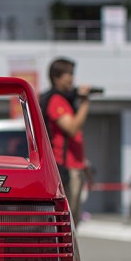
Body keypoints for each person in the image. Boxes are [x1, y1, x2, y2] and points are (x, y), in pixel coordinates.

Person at [40, 57, 95, 229]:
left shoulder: (65, 100)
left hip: (73, 166)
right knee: (66, 221)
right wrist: (85, 102)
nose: (72, 79)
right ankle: (63, 255)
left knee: (72, 220)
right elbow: (71, 127)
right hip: (65, 168)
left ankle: (66, 254)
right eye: (68, 74)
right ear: (56, 77)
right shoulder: (56, 100)